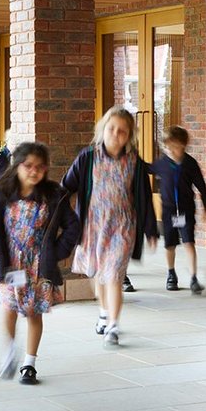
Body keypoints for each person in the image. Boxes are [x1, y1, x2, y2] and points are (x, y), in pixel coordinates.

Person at [0, 142, 81, 385]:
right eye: (28, 166)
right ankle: (8, 351)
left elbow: (72, 226)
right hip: (10, 262)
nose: (34, 171)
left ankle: (29, 364)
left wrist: (57, 253)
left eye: (40, 167)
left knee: (34, 312)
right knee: (10, 307)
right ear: (17, 165)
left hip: (38, 264)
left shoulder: (54, 194)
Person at [62, 105, 158, 347]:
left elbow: (144, 197)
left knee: (114, 274)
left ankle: (113, 324)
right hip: (93, 226)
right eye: (112, 129)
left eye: (122, 131)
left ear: (129, 135)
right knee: (97, 273)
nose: (116, 134)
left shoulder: (134, 162)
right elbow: (66, 186)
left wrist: (150, 229)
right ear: (103, 129)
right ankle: (103, 311)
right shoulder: (88, 157)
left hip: (122, 227)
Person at [150, 125, 206, 294]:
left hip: (186, 209)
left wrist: (205, 207)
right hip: (168, 211)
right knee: (170, 244)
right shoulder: (162, 163)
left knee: (189, 241)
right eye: (166, 146)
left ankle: (194, 278)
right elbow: (146, 168)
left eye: (172, 145)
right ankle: (171, 274)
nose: (169, 149)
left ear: (182, 145)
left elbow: (201, 186)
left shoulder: (190, 164)